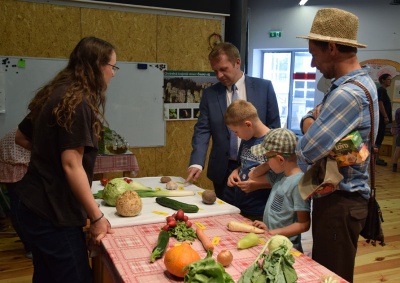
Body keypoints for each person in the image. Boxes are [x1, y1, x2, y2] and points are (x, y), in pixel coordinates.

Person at [14, 37, 116, 283]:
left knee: (47, 276)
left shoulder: (56, 93)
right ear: (97, 66)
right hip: (52, 213)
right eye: (113, 66)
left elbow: (21, 137)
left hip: (30, 204)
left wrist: (49, 159)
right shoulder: (78, 102)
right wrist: (98, 218)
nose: (113, 74)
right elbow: (71, 165)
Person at [296, 8, 378, 283]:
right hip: (346, 199)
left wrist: (309, 123)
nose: (312, 63)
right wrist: (313, 121)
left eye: (314, 54)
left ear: (331, 48)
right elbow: (315, 122)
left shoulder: (346, 95)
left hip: (339, 202)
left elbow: (306, 151)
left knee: (330, 277)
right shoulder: (364, 83)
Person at [185, 42, 280, 200]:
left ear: (237, 62)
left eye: (223, 69)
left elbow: (273, 128)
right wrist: (196, 163)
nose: (219, 76)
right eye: (215, 71)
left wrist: (267, 166)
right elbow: (202, 130)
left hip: (256, 168)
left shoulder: (264, 88)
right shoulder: (210, 94)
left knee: (253, 216)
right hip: (222, 170)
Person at [249, 128, 310, 252]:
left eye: (266, 158)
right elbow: (253, 175)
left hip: (287, 248)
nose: (265, 161)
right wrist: (269, 162)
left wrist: (273, 232)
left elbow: (304, 224)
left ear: (281, 160)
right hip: (271, 241)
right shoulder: (280, 176)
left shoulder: (298, 183)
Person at [223, 100, 272, 220]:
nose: (235, 135)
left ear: (248, 124)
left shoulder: (273, 142)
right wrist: (235, 172)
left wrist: (257, 185)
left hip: (261, 209)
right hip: (241, 205)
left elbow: (282, 179)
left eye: (236, 131)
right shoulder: (247, 138)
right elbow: (244, 163)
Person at [0, 128, 32, 259]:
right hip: (15, 162)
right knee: (19, 208)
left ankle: (31, 245)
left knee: (19, 206)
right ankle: (30, 246)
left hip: (15, 159)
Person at [375, 73, 393, 166]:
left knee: (380, 138)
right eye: (388, 79)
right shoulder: (381, 90)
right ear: (383, 80)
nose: (390, 81)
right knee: (378, 138)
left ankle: (377, 158)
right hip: (381, 119)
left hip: (382, 120)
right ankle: (375, 159)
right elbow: (380, 103)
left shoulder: (383, 91)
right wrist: (385, 116)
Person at [391, 107, 400, 172]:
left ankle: (394, 165)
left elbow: (396, 121)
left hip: (399, 131)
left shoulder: (398, 110)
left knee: (397, 148)